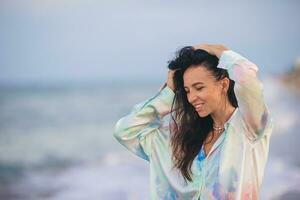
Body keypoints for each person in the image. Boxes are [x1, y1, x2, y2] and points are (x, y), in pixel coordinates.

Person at [113, 44, 274, 199]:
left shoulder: (250, 128)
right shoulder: (181, 138)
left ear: (223, 84)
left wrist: (217, 49)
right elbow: (124, 131)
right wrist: (169, 95)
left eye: (199, 88)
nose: (191, 98)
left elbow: (247, 79)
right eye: (187, 91)